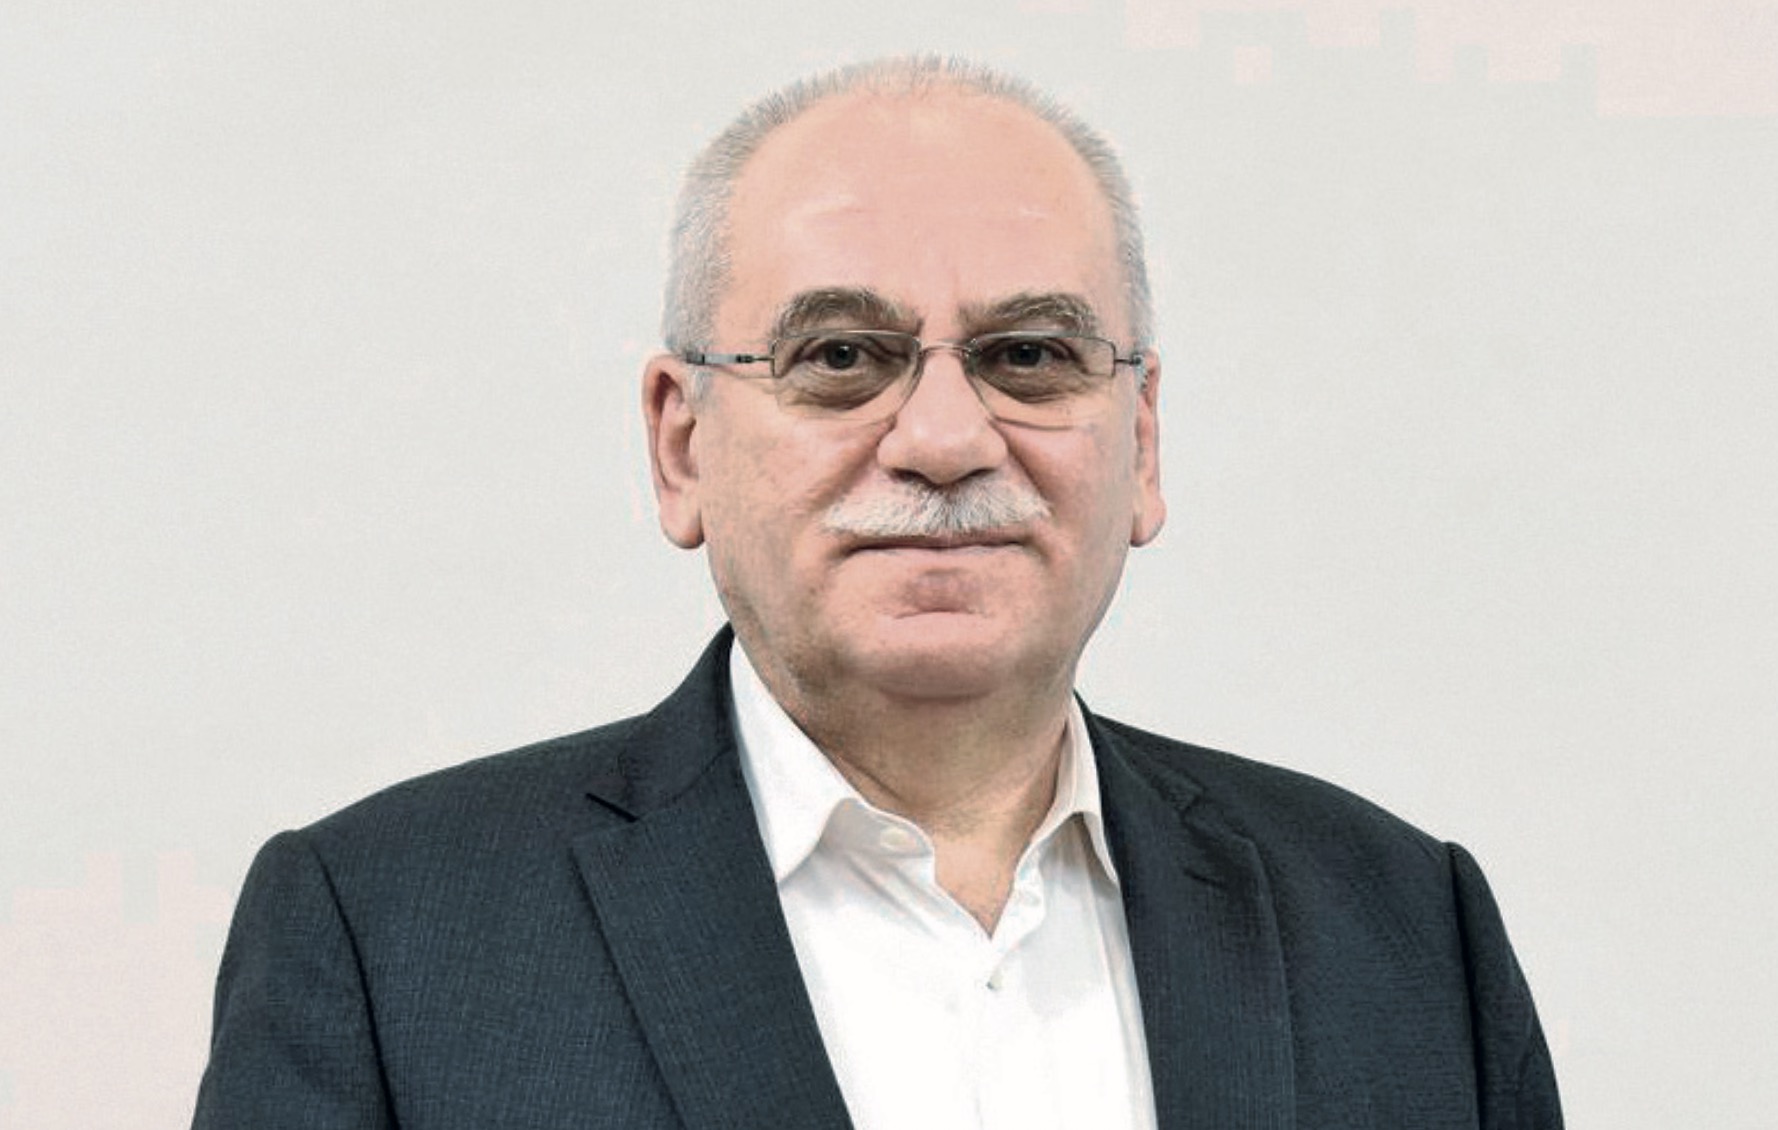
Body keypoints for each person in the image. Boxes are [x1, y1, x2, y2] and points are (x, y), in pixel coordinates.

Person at [192, 56, 1562, 1129]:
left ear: (1141, 447)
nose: (946, 438)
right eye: (842, 356)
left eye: (1031, 355)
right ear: (681, 445)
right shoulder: (389, 940)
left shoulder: (1404, 932)